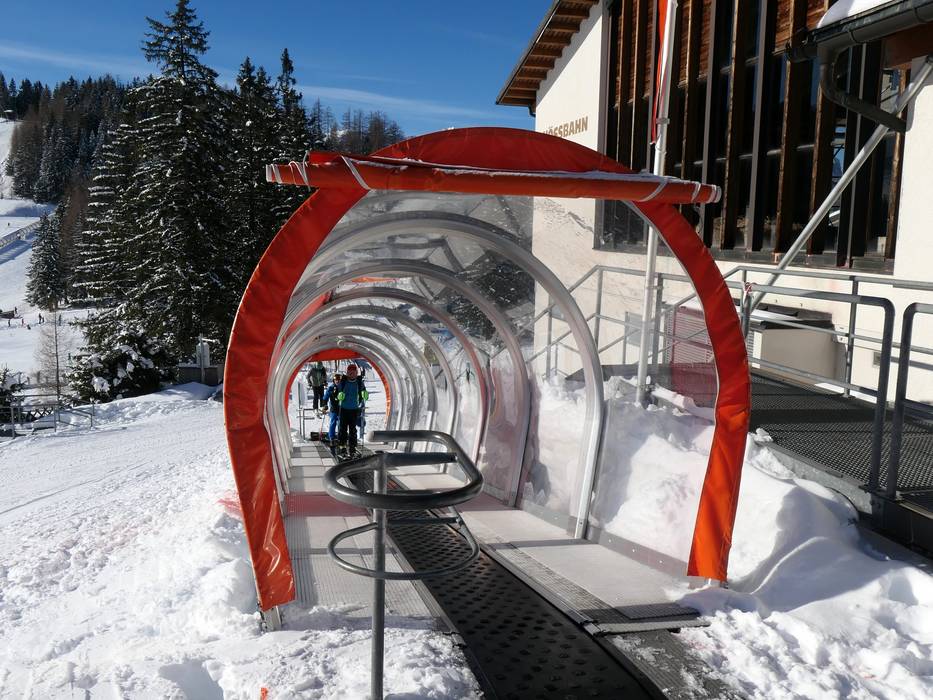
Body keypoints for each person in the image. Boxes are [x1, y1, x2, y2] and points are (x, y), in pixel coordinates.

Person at [336, 363, 368, 457]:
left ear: (356, 373)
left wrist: (365, 395)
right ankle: (342, 446)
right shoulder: (343, 381)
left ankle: (352, 447)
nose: (351, 374)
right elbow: (337, 392)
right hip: (344, 409)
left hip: (354, 409)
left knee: (353, 429)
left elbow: (364, 391)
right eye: (349, 373)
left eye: (353, 373)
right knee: (342, 428)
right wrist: (339, 395)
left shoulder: (359, 382)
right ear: (347, 373)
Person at [321, 373, 343, 445]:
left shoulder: (343, 387)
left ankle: (341, 437)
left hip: (342, 408)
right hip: (334, 408)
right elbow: (325, 397)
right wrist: (325, 405)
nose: (337, 381)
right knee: (333, 422)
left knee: (341, 423)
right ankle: (331, 437)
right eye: (336, 380)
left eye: (339, 380)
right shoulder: (331, 388)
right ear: (334, 380)